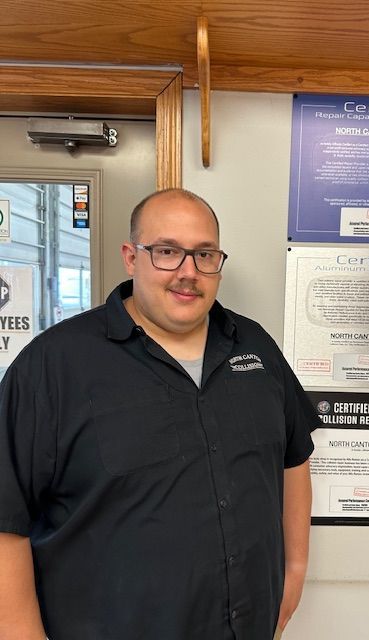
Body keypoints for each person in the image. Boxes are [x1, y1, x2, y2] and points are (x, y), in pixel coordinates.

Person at [0, 188, 318, 640]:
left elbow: (294, 454)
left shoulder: (255, 348)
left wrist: (296, 568)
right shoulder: (52, 366)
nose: (188, 273)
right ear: (131, 257)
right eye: (167, 251)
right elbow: (5, 519)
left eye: (204, 254)